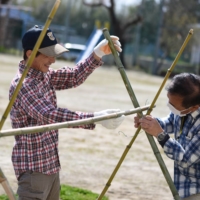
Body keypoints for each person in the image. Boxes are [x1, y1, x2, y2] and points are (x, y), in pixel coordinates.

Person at [9, 25, 124, 200]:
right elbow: (49, 115)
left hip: (51, 168)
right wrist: (95, 118)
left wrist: (96, 54)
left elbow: (73, 76)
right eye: (48, 55)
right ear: (30, 53)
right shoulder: (23, 85)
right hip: (34, 172)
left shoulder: (43, 75)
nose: (53, 60)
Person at [134, 73, 200, 200]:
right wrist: (150, 123)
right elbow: (170, 123)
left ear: (194, 107)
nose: (170, 106)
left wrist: (160, 135)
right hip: (184, 186)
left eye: (173, 105)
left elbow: (185, 160)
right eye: (169, 101)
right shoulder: (183, 108)